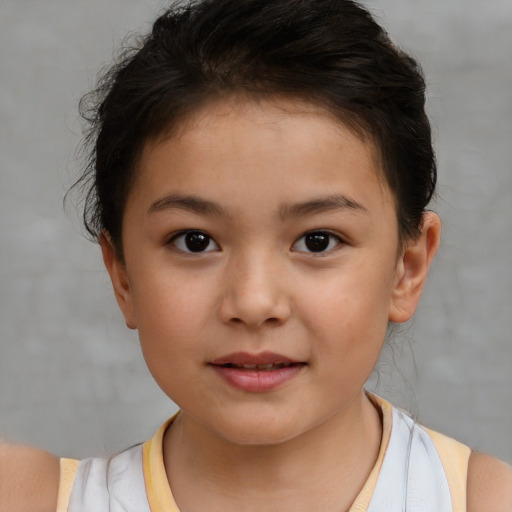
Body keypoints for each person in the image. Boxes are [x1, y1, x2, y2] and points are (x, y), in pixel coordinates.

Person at [1, 0, 511, 510]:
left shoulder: (487, 499)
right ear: (123, 276)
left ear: (407, 269)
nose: (254, 301)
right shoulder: (28, 495)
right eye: (195, 241)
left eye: (318, 240)